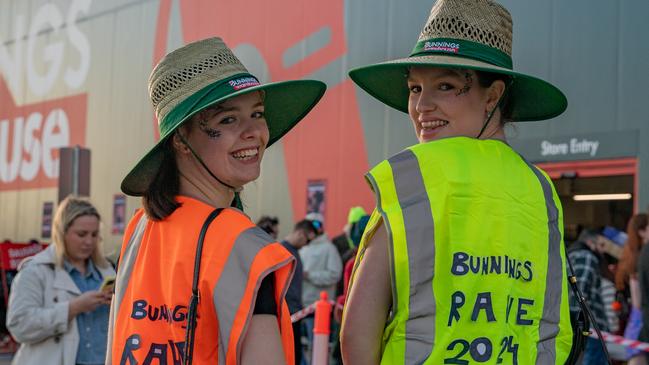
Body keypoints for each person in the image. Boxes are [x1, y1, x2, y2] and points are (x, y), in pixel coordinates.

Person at [340, 0, 575, 363]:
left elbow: (357, 331)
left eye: (445, 86)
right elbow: (553, 328)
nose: (421, 106)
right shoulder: (541, 189)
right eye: (415, 88)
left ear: (493, 95)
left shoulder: (413, 176)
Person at [106, 37, 325, 364]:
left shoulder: (142, 227)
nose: (254, 131)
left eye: (258, 113)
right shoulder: (240, 245)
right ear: (181, 139)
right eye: (228, 119)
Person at [7, 196, 115, 365]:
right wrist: (73, 308)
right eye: (81, 234)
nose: (89, 241)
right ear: (61, 232)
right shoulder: (36, 271)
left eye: (94, 235)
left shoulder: (107, 271)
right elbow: (19, 326)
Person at [299, 212, 342, 361]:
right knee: (303, 346)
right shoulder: (303, 248)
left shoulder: (329, 248)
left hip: (319, 307)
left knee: (317, 346)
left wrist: (310, 275)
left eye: (315, 225)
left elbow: (334, 274)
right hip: (302, 306)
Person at [567, 230, 611, 364]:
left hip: (581, 326)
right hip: (591, 327)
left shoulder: (570, 257)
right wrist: (580, 323)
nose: (603, 250)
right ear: (590, 242)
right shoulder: (586, 256)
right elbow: (580, 291)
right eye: (601, 245)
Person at [280, 220, 317, 365]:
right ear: (301, 233)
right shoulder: (283, 251)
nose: (306, 245)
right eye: (307, 241)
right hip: (287, 313)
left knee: (295, 354)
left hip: (293, 312)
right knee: (291, 356)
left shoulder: (294, 252)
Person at [616, 214, 648, 364]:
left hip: (636, 316)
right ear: (641, 231)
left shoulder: (631, 255)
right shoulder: (642, 257)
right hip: (640, 316)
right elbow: (637, 299)